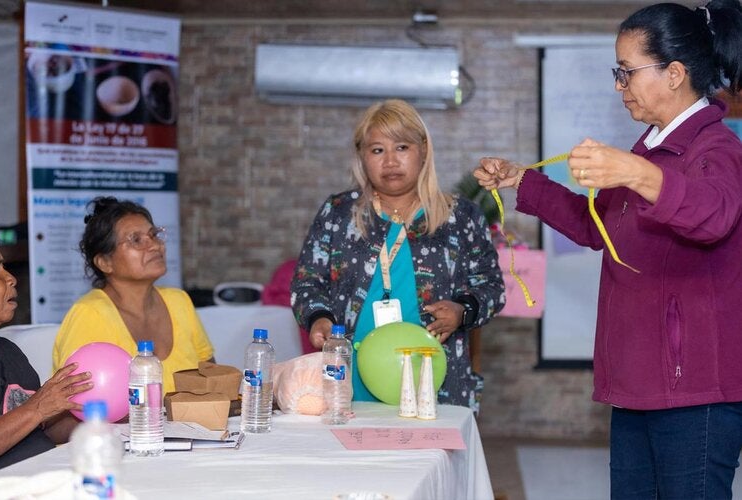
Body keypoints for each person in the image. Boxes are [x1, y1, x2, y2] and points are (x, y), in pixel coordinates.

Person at [475, 1, 742, 497]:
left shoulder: (717, 149)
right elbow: (596, 227)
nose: (619, 86)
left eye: (627, 72)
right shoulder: (651, 150)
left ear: (675, 73)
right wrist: (522, 182)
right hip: (638, 378)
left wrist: (637, 173)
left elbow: (714, 215)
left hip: (694, 390)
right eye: (616, 73)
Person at [291, 99, 505, 411]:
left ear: (423, 150)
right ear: (362, 157)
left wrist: (463, 311)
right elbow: (307, 283)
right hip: (349, 388)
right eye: (377, 150)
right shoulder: (338, 213)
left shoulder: (460, 217)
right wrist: (318, 317)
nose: (390, 161)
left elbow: (492, 288)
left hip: (437, 387)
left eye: (401, 147)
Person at [52, 197, 214, 394]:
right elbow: (71, 408)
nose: (155, 246)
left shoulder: (179, 301)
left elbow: (212, 381)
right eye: (136, 240)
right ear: (105, 262)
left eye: (153, 235)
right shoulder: (89, 314)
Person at [0, 228, 92, 476]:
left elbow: (40, 429)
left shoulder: (8, 351)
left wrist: (96, 415)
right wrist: (38, 407)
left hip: (50, 477)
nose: (11, 279)